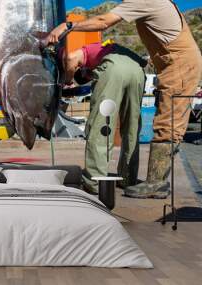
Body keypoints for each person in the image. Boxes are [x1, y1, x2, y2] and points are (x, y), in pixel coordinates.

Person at [46, 0, 202, 199]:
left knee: (160, 125)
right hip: (146, 68)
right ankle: (129, 177)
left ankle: (133, 182)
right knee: (132, 124)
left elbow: (103, 21)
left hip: (178, 66)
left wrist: (67, 27)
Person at [62, 42, 146, 193]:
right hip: (137, 70)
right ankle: (128, 178)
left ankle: (95, 181)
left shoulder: (84, 52)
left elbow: (70, 58)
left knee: (101, 126)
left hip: (114, 68)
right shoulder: (103, 49)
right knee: (132, 127)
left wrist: (67, 80)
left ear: (82, 68)